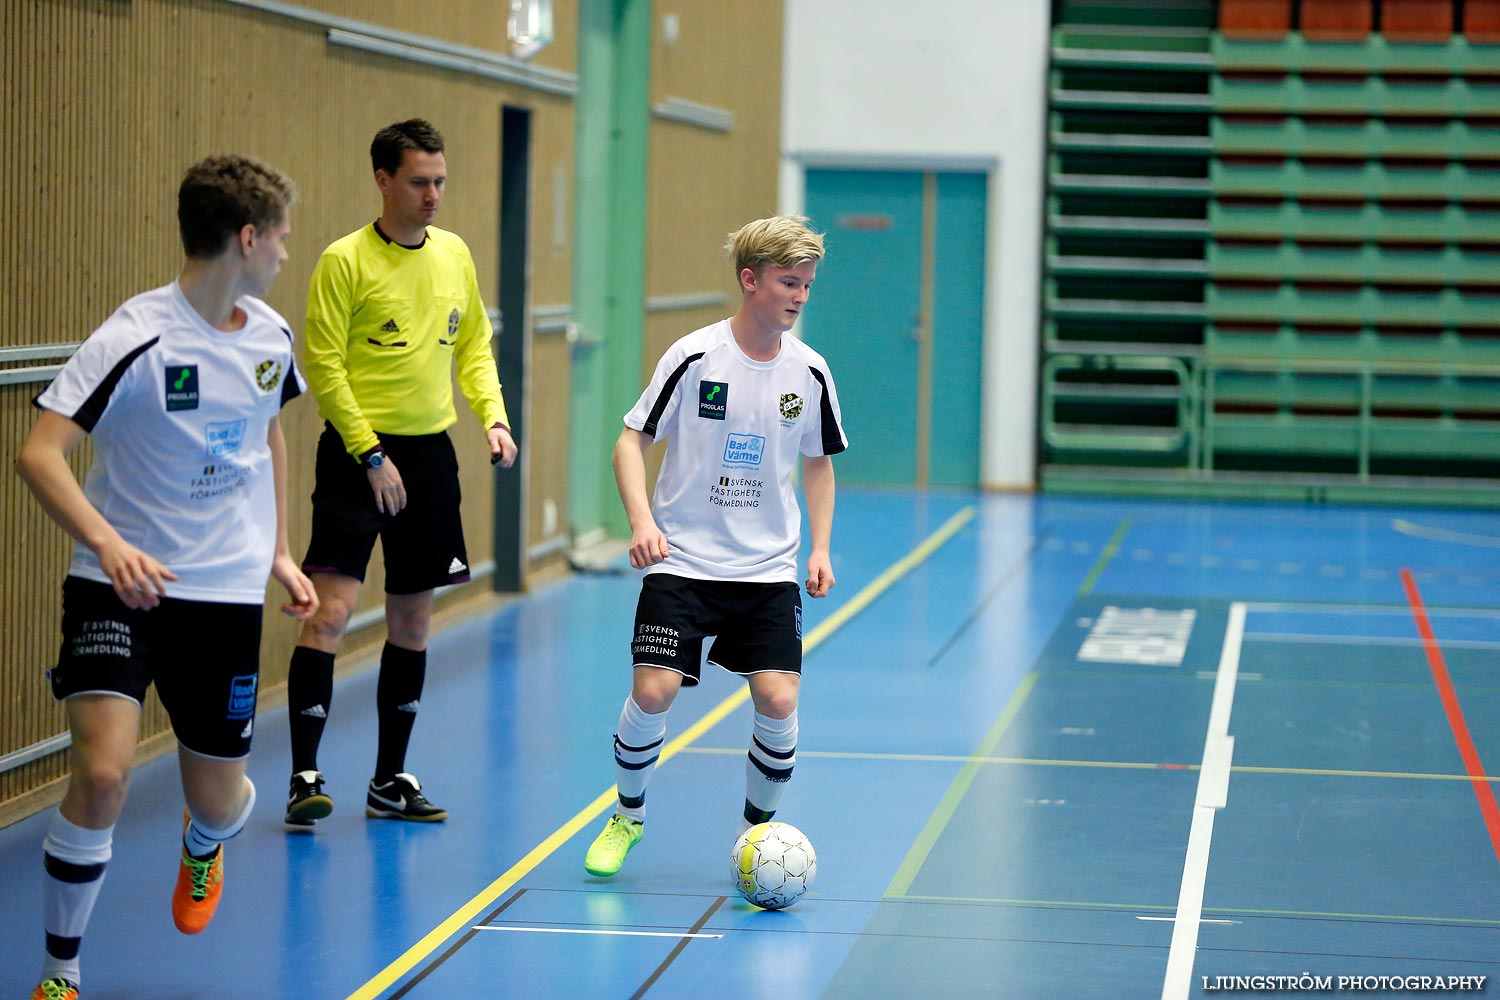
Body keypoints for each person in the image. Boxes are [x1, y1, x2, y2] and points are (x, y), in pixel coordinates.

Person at [16, 155, 318, 1000]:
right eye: (282, 238)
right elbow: (39, 455)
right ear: (247, 238)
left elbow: (268, 435)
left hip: (221, 600)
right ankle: (60, 971)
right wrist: (109, 544)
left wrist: (278, 551)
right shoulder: (134, 337)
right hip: (118, 590)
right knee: (104, 774)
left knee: (220, 803)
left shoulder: (268, 335)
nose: (286, 254)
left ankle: (204, 841)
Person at [582, 215, 847, 878]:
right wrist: (642, 523)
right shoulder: (694, 358)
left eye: (808, 285)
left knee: (779, 700)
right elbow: (629, 442)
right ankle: (627, 815)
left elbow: (818, 462)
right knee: (654, 691)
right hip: (685, 563)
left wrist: (820, 548)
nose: (800, 295)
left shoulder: (810, 371)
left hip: (766, 570)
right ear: (750, 280)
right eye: (789, 282)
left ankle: (753, 837)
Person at [282, 118, 516, 829]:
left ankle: (389, 780)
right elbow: (323, 366)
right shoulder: (344, 261)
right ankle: (304, 775)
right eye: (419, 182)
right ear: (383, 180)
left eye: (440, 181)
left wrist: (494, 417)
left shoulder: (453, 255)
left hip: (431, 454)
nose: (433, 195)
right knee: (331, 613)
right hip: (360, 456)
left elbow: (474, 345)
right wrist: (370, 454)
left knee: (414, 619)